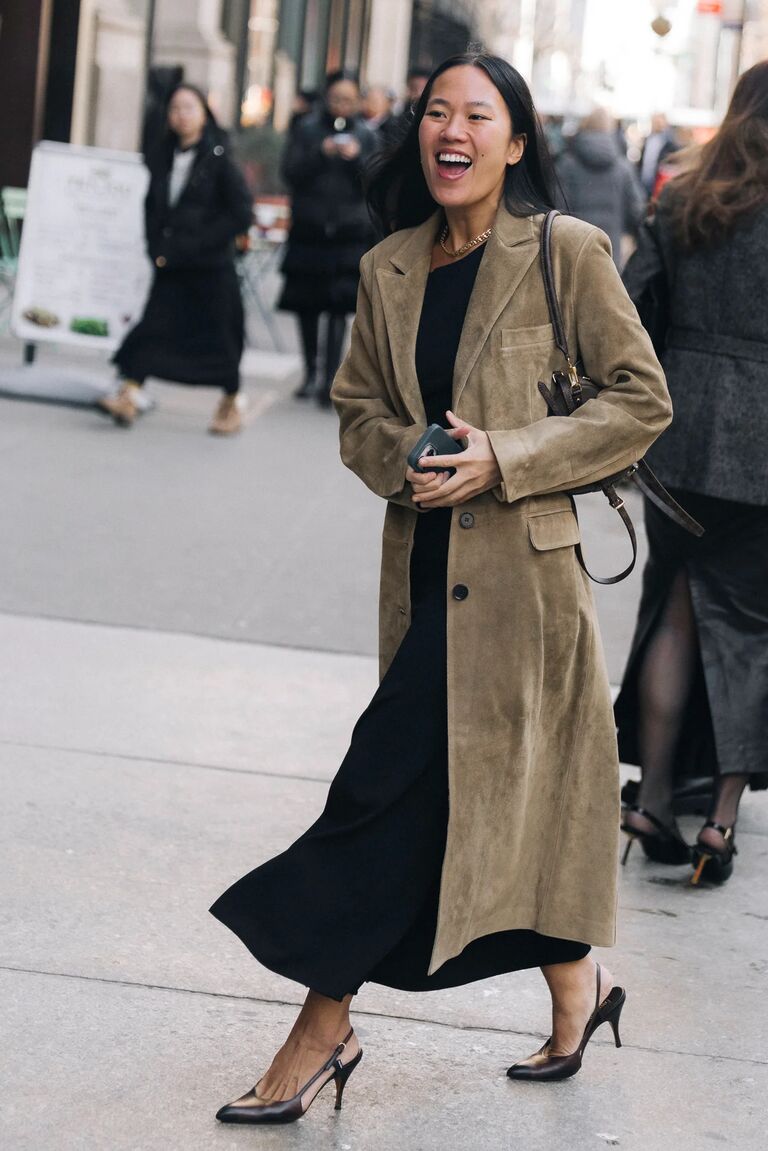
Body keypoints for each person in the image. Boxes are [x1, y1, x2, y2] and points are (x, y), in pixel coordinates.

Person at [210, 52, 671, 1124]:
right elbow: (358, 408)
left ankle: (322, 1029)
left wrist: (504, 453)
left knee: (382, 793)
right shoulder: (388, 268)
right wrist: (405, 457)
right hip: (423, 576)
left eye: (478, 114)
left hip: (525, 593)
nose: (449, 129)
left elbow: (640, 401)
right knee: (479, 804)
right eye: (434, 113)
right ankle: (580, 991)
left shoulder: (567, 250)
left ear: (515, 142)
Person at [616, 61, 768, 885]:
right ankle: (718, 821)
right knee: (747, 631)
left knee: (673, 616)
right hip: (764, 458)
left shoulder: (682, 198)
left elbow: (632, 307)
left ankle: (655, 794)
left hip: (678, 438)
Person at [101, 85, 253, 435]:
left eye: (188, 107)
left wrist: (202, 242)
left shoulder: (219, 158)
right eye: (175, 109)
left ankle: (230, 401)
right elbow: (152, 208)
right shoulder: (161, 155)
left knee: (220, 341)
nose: (180, 115)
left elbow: (241, 212)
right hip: (171, 264)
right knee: (153, 328)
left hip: (210, 269)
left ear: (203, 114)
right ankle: (129, 393)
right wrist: (155, 247)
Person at [278, 71, 377, 406]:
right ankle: (310, 372)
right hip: (311, 229)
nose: (341, 106)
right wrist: (320, 153)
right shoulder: (306, 130)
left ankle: (330, 379)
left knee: (338, 306)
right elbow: (290, 173)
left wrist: (355, 160)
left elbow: (374, 182)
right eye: (336, 99)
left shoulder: (367, 135)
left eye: (348, 100)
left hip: (348, 233)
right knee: (308, 304)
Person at [556, 108, 646, 266]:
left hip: (572, 248)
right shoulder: (623, 168)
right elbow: (636, 210)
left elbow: (556, 206)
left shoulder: (566, 165)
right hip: (609, 251)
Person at [639, 113, 679, 196]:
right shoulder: (648, 139)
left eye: (659, 121)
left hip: (659, 183)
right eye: (654, 121)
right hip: (644, 180)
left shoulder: (670, 141)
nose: (656, 124)